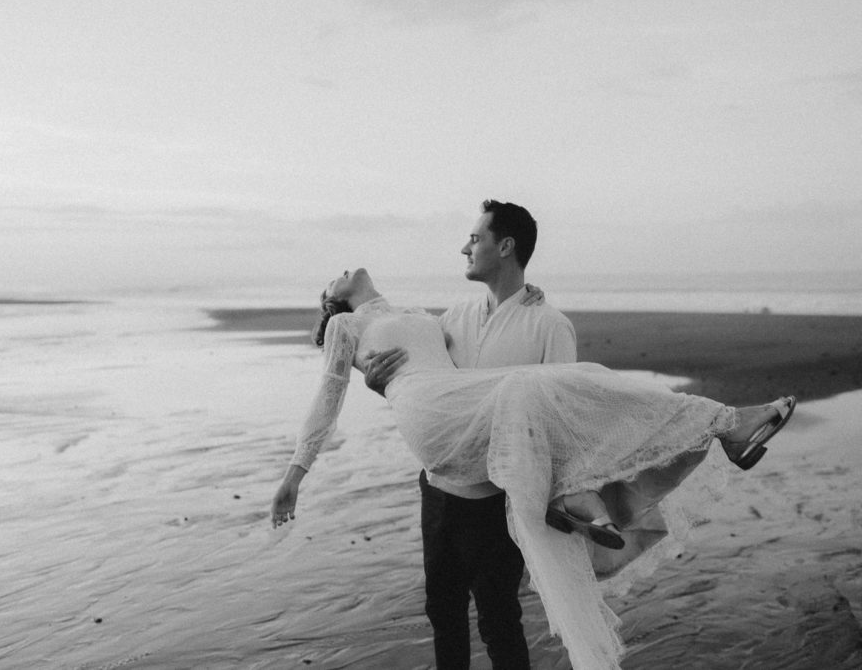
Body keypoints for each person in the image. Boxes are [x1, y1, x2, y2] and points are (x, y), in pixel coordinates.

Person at [270, 266, 796, 670]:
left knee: (568, 381)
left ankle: (719, 429)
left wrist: (529, 298)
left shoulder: (429, 315)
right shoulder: (345, 323)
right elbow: (328, 394)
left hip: (458, 416)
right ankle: (720, 426)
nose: (342, 269)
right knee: (445, 604)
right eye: (332, 280)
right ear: (333, 300)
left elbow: (480, 321)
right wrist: (297, 472)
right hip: (433, 422)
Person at [366, 199, 574, 669]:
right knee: (443, 612)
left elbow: (562, 420)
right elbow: (424, 394)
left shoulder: (549, 325)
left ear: (505, 246)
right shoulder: (452, 318)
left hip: (496, 501)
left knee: (499, 620)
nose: (465, 247)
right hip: (437, 491)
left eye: (475, 239)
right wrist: (381, 383)